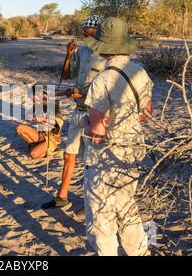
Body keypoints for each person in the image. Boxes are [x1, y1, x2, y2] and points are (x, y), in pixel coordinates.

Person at [82, 17, 154, 256]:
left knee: (102, 215)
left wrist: (85, 124)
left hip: (106, 156)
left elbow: (98, 130)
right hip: (133, 150)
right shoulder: (140, 72)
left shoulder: (102, 80)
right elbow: (146, 114)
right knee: (127, 207)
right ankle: (140, 252)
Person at [43, 15, 106, 209]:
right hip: (78, 111)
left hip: (96, 113)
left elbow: (105, 88)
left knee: (92, 161)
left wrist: (68, 93)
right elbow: (66, 75)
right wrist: (69, 55)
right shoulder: (82, 51)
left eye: (91, 34)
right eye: (85, 34)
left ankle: (92, 205)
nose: (88, 38)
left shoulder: (107, 56)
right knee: (69, 155)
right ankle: (62, 197)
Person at [16, 86, 64, 159]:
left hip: (51, 137)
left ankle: (43, 148)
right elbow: (27, 115)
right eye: (33, 100)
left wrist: (44, 120)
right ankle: (36, 146)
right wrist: (31, 116)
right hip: (40, 134)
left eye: (35, 99)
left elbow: (58, 122)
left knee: (33, 154)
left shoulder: (52, 104)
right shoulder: (37, 103)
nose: (34, 102)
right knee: (19, 128)